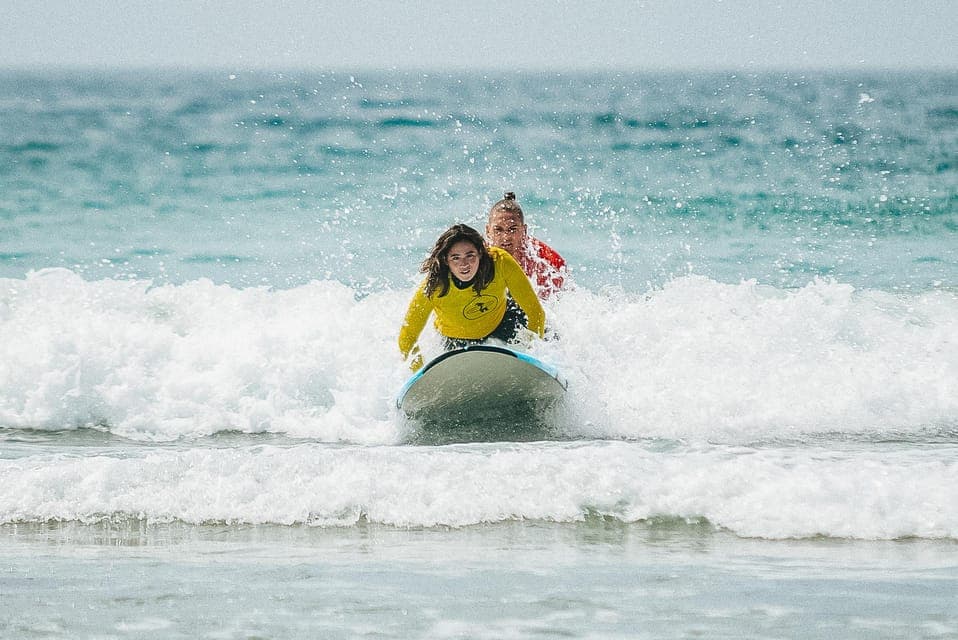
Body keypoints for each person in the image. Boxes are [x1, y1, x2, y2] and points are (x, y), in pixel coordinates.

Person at [398, 224, 545, 371]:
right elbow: (407, 337)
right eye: (455, 258)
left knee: (548, 331)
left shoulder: (500, 262)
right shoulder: (434, 287)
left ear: (480, 253)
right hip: (456, 340)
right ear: (445, 260)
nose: (464, 264)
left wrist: (528, 354)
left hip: (503, 323)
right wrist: (421, 373)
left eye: (470, 255)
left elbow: (535, 312)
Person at [485, 192, 567, 299]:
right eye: (498, 230)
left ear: (524, 231)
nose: (505, 236)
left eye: (512, 229)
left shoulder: (547, 263)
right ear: (488, 231)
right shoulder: (476, 254)